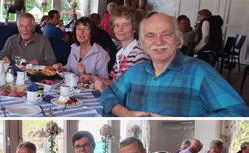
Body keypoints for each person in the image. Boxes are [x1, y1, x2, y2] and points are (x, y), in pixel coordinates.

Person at [100, 13, 249, 117]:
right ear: (143, 43)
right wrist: (124, 113)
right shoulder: (134, 72)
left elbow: (239, 111)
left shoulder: (200, 72)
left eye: (166, 34)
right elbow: (108, 94)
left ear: (178, 39)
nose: (158, 42)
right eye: (150, 36)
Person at [92, 6, 148, 92]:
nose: (120, 29)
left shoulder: (140, 56)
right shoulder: (120, 53)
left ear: (134, 28)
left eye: (125, 25)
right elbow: (115, 82)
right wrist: (95, 78)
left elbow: (136, 92)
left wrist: (104, 91)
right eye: (116, 25)